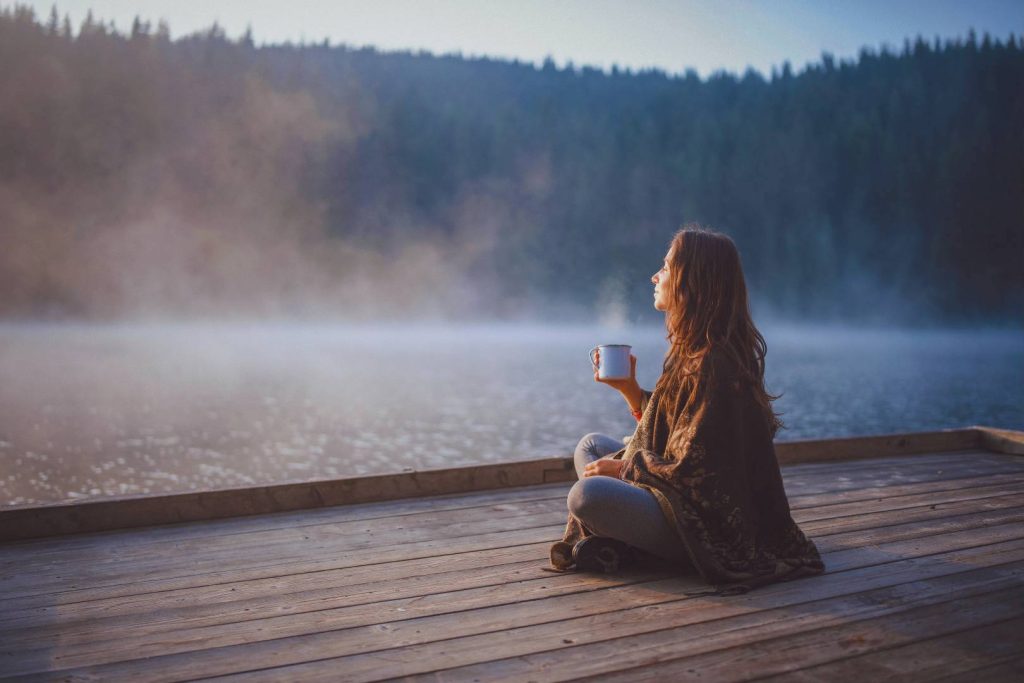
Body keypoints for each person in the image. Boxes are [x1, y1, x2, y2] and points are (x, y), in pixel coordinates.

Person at [549, 225, 825, 594]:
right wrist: (630, 390)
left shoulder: (715, 363)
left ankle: (639, 546)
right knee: (591, 446)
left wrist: (626, 468)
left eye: (665, 267)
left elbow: (698, 471)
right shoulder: (693, 350)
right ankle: (623, 537)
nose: (655, 276)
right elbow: (675, 430)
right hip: (678, 495)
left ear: (691, 280)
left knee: (587, 496)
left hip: (710, 526)